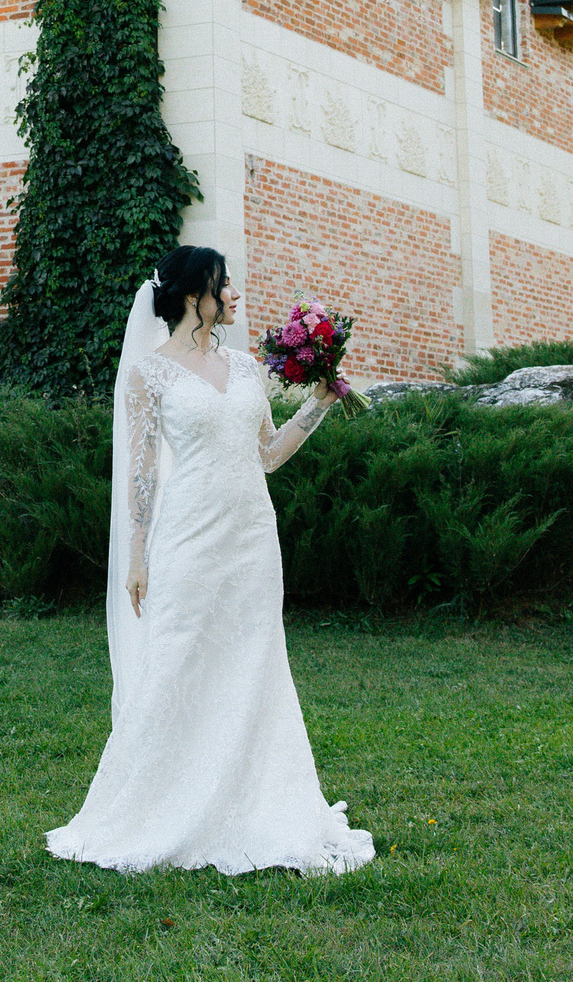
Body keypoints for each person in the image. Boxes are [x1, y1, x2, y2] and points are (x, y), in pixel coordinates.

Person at [46, 246, 374, 874]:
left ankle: (256, 801)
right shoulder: (147, 375)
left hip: (252, 538)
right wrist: (136, 559)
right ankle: (161, 805)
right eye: (225, 286)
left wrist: (321, 402)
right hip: (189, 536)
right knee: (180, 660)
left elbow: (269, 456)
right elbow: (141, 477)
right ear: (196, 294)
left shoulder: (249, 369)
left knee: (254, 662)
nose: (234, 297)